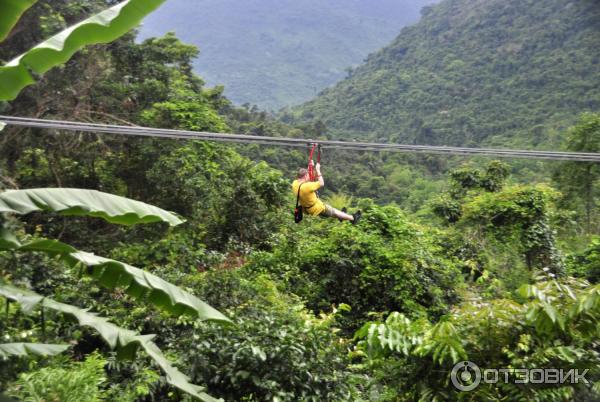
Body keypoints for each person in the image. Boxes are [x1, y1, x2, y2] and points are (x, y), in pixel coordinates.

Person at [292, 161, 361, 224]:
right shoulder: (307, 187)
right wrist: (318, 170)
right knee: (333, 211)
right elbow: (321, 183)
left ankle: (342, 215)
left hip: (307, 209)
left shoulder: (295, 184)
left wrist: (311, 167)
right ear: (305, 176)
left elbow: (307, 178)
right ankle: (353, 218)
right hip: (317, 208)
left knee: (332, 213)